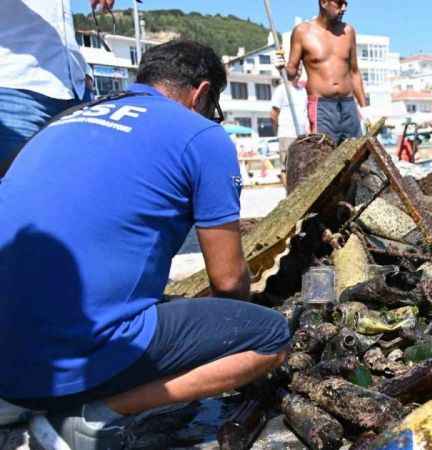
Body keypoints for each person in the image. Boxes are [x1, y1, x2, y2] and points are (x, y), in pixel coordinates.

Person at [0, 40, 290, 450]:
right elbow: (227, 281)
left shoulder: (65, 120)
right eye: (215, 108)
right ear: (202, 93)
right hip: (63, 364)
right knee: (270, 338)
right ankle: (93, 417)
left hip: (5, 356)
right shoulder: (201, 135)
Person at [0, 0, 114, 178]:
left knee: (76, 188)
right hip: (16, 88)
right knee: (16, 193)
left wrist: (82, 71)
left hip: (76, 90)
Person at [275, 0, 366, 144]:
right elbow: (291, 72)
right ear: (324, 2)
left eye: (346, 3)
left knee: (358, 157)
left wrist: (365, 108)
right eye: (339, 3)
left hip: (349, 105)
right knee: (326, 158)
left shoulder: (348, 31)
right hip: (322, 107)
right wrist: (281, 68)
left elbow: (354, 71)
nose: (344, 8)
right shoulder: (302, 32)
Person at [271, 64, 309, 179]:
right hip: (286, 133)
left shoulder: (303, 91)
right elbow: (273, 114)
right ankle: (289, 194)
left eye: (301, 70)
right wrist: (277, 130)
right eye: (296, 69)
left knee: (300, 168)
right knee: (286, 167)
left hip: (302, 135)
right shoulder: (281, 89)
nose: (298, 72)